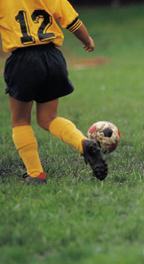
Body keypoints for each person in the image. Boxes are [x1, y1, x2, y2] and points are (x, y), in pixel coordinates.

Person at [1, 0, 108, 184]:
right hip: (53, 59)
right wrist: (87, 40)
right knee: (48, 118)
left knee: (20, 121)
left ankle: (36, 174)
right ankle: (84, 144)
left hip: (22, 60)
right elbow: (72, 21)